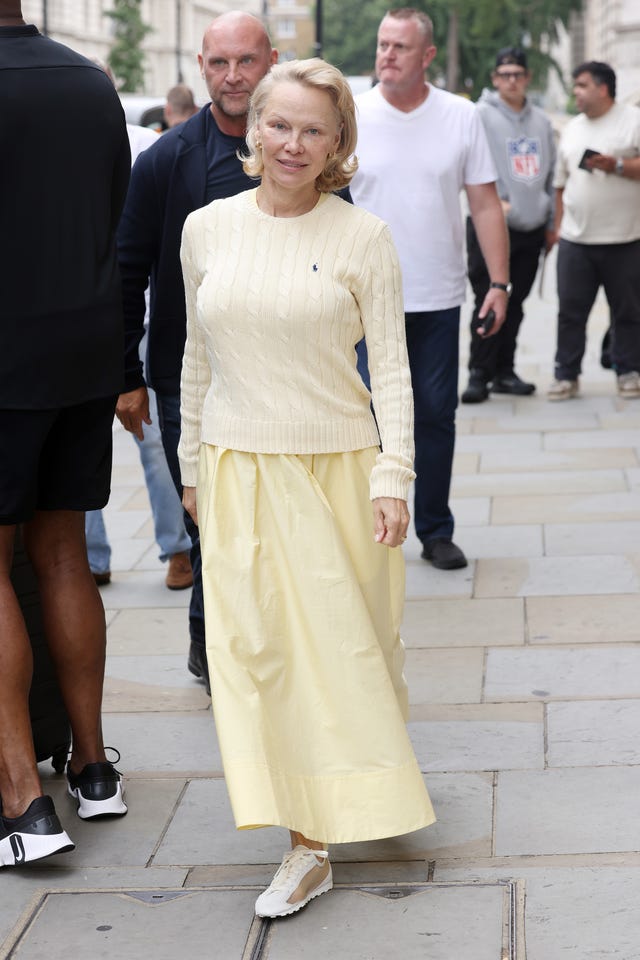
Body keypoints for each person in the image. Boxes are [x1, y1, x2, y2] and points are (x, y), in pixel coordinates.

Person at [178, 58, 436, 920]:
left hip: (337, 473)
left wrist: (393, 476)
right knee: (264, 661)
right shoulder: (206, 228)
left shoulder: (362, 239)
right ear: (254, 131)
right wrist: (188, 468)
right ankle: (307, 842)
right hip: (236, 469)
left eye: (313, 130)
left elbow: (393, 373)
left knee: (355, 650)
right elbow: (196, 359)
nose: (293, 143)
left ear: (338, 145)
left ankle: (366, 782)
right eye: (279, 125)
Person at [0, 2, 129, 867]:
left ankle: (21, 800)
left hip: (5, 358)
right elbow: (112, 222)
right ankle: (91, 767)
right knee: (63, 556)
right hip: (84, 352)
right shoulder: (91, 82)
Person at [115, 11, 278, 693]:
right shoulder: (166, 159)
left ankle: (250, 643)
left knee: (272, 521)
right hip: (193, 376)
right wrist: (125, 375)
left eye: (245, 61)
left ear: (271, 60)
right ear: (201, 66)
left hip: (286, 374)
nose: (233, 76)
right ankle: (213, 648)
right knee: (210, 517)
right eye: (219, 63)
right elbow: (126, 268)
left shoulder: (302, 149)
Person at [350, 7, 509, 572]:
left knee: (436, 415)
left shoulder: (461, 116)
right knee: (364, 420)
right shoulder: (353, 114)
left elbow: (485, 202)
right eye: (382, 43)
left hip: (437, 297)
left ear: (428, 56)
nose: (386, 54)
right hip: (360, 302)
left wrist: (500, 283)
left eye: (399, 46)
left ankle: (436, 528)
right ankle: (367, 526)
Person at [86, 61, 193, 592]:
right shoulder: (49, 147)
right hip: (72, 319)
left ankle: (179, 549)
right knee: (77, 440)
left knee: (153, 439)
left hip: (139, 313)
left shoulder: (144, 146)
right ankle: (89, 557)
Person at [462, 47, 556, 404]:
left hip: (531, 228)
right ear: (495, 79)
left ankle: (504, 371)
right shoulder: (479, 116)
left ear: (527, 78)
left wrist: (549, 221)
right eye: (505, 75)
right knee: (488, 298)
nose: (512, 81)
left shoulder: (542, 122)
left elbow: (550, 175)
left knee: (516, 304)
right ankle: (478, 373)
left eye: (518, 74)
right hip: (492, 226)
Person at [548, 60, 640, 401]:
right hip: (576, 240)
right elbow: (560, 183)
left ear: (603, 88)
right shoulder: (573, 128)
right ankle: (565, 375)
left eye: (582, 85)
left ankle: (628, 371)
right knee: (570, 312)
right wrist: (557, 228)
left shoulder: (633, 121)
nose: (577, 93)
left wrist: (616, 164)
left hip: (626, 238)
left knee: (628, 312)